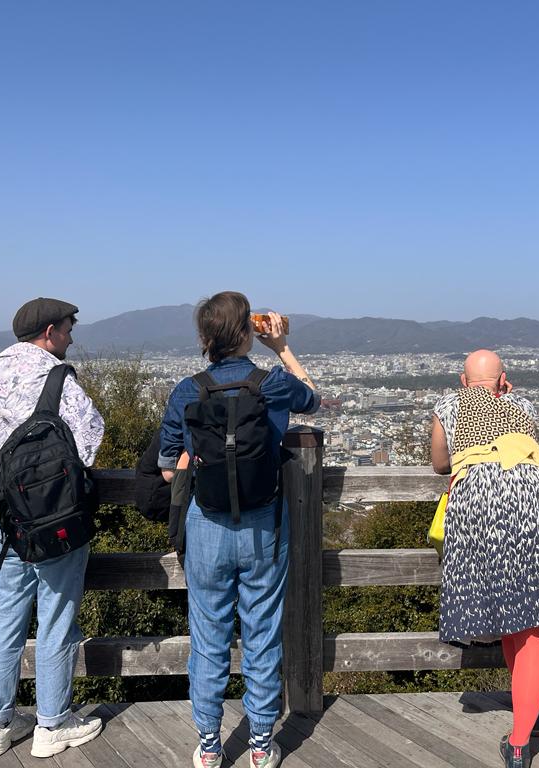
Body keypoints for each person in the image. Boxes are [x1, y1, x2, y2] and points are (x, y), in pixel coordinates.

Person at [158, 292, 319, 768]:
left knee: (208, 636)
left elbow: (167, 467)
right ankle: (262, 743)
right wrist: (282, 348)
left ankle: (210, 745)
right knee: (262, 633)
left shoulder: (188, 390)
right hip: (263, 524)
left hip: (206, 523)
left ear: (205, 337)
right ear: (248, 332)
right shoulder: (272, 384)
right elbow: (311, 398)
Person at [0, 297, 105, 759]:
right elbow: (91, 434)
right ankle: (53, 723)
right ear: (50, 333)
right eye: (68, 328)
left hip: (11, 520)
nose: (71, 336)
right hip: (58, 520)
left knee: (5, 616)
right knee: (57, 618)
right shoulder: (57, 377)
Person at [430, 350, 539, 768]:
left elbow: (439, 464)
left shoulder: (448, 405)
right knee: (532, 623)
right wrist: (505, 394)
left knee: (508, 611)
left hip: (480, 502)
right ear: (504, 380)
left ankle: (521, 736)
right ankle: (526, 727)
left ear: (463, 380)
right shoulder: (522, 405)